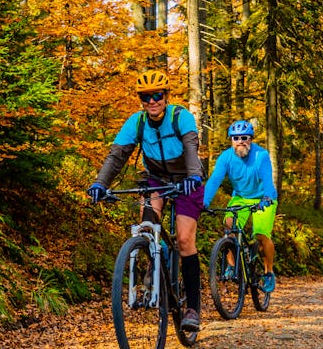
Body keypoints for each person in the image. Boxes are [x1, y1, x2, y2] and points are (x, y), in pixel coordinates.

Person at [87, 70, 207, 332]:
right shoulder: (137, 122)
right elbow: (117, 155)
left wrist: (194, 177)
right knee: (147, 228)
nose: (152, 101)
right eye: (146, 97)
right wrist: (100, 183)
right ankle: (151, 275)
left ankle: (193, 309)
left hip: (187, 179)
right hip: (156, 178)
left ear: (166, 96)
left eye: (157, 95)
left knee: (185, 240)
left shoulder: (180, 117)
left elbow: (191, 149)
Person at [201, 120, 279, 293]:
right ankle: (231, 266)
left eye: (244, 137)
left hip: (264, 198)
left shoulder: (261, 155)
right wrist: (204, 202)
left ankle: (268, 272)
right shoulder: (226, 157)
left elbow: (267, 179)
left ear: (251, 139)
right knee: (229, 226)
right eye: (236, 138)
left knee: (260, 235)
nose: (240, 141)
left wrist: (266, 197)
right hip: (241, 198)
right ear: (231, 140)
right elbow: (214, 181)